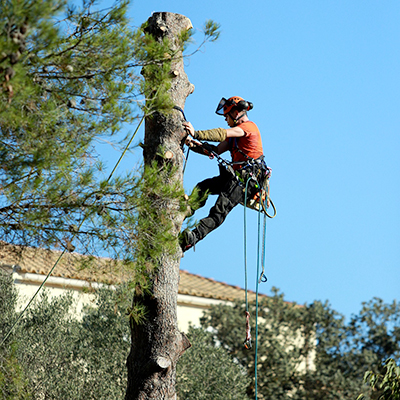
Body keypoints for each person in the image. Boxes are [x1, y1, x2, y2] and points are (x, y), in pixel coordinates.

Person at [179, 96, 267, 252]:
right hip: (236, 177)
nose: (226, 119)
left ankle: (192, 238)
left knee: (219, 210)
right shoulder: (234, 138)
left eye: (227, 115)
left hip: (246, 180)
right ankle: (186, 209)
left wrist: (196, 133)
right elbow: (216, 150)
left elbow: (221, 133)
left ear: (236, 113)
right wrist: (193, 145)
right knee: (203, 186)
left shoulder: (248, 127)